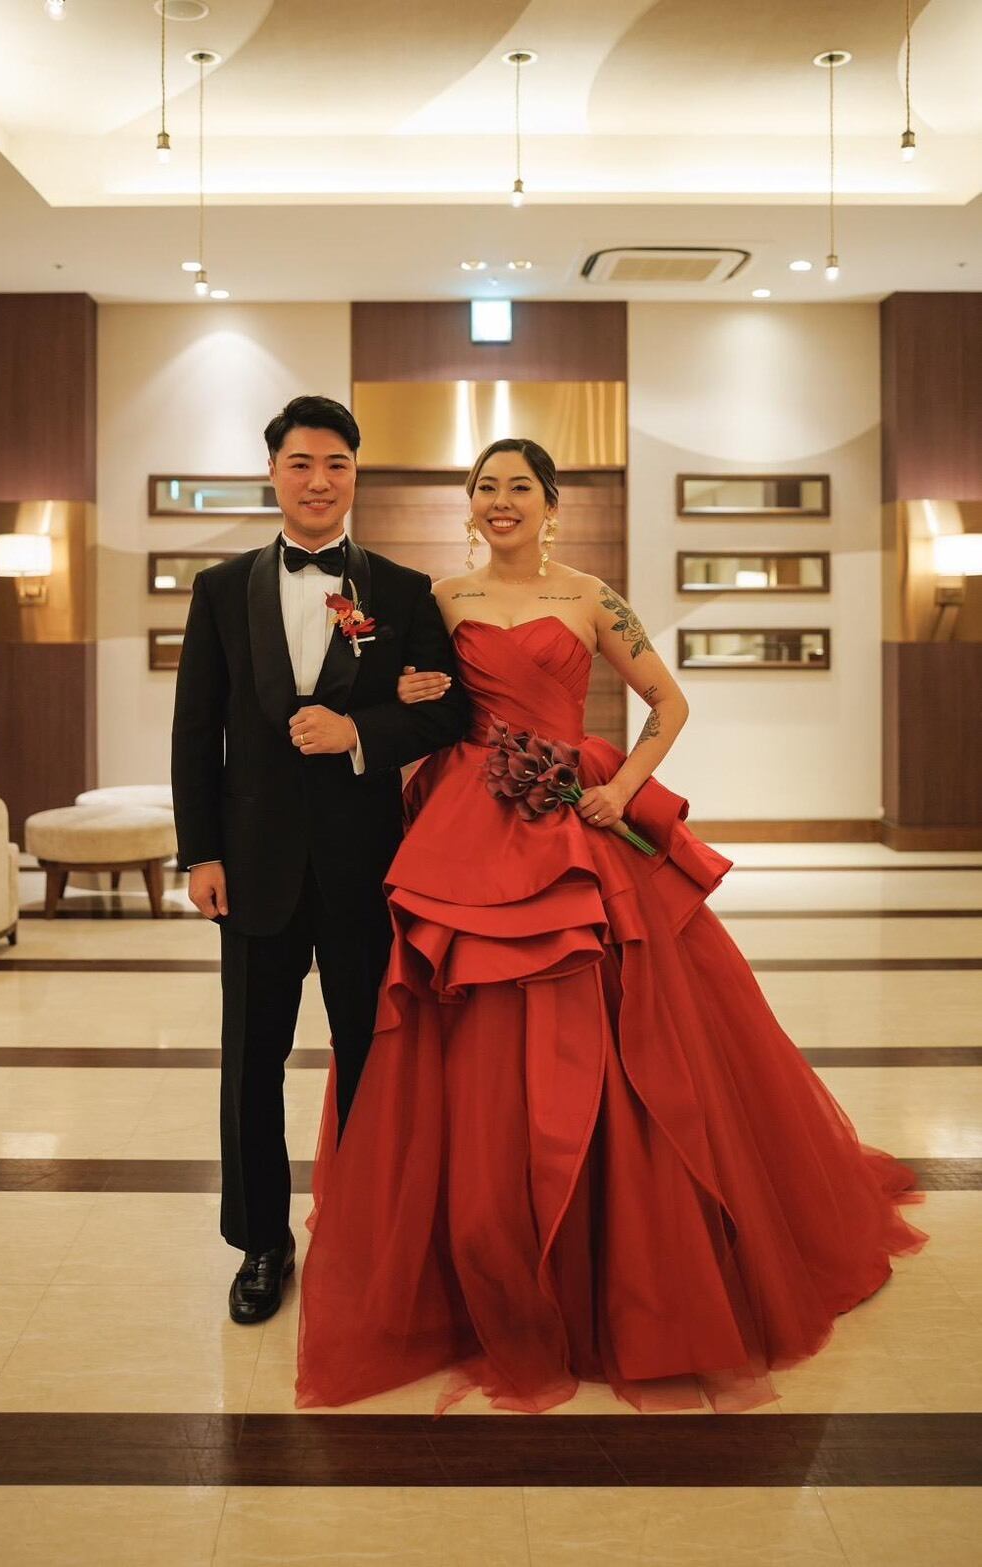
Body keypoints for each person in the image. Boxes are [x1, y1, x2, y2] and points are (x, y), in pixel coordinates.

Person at [295, 435, 926, 1413]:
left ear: (551, 505)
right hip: (463, 821)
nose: (502, 501)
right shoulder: (441, 599)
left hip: (572, 811)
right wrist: (408, 693)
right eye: (487, 487)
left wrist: (623, 789)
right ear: (470, 504)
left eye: (521, 487)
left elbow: (669, 701)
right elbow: (407, 703)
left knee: (621, 1021)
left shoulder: (592, 597)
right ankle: (472, 1250)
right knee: (453, 1022)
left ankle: (614, 1237)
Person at [171, 395, 468, 1326]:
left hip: (363, 866)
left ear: (355, 474)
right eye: (301, 463)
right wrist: (199, 851)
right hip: (251, 864)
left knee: (370, 1054)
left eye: (336, 463)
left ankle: (370, 1231)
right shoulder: (222, 589)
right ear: (273, 471)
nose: (318, 480)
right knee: (250, 1063)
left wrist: (359, 731)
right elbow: (195, 730)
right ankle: (262, 1241)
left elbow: (446, 711)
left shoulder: (403, 590)